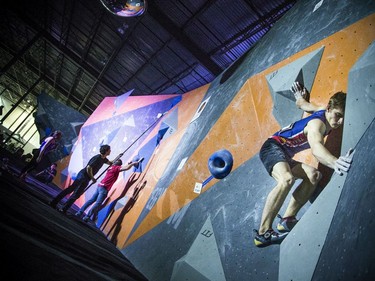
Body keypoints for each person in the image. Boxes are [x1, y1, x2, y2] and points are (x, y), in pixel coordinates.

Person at [253, 82, 354, 248]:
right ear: (329, 108)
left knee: (314, 176)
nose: (340, 121)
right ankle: (263, 233)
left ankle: (287, 219)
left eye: (344, 117)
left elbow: (304, 105)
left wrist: (300, 97)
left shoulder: (322, 111)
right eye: (337, 115)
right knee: (286, 179)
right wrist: (335, 161)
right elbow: (316, 148)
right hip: (272, 147)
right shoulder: (317, 124)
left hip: (285, 154)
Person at [75, 157, 144, 222]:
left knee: (91, 200)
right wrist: (133, 163)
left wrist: (129, 164)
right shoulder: (115, 168)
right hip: (104, 188)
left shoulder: (111, 168)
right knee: (98, 203)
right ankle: (87, 217)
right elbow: (125, 168)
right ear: (119, 165)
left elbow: (123, 168)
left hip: (100, 186)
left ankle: (79, 212)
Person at [49, 144, 113, 213]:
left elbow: (110, 163)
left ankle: (63, 208)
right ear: (106, 151)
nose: (110, 151)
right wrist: (92, 178)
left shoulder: (104, 159)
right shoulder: (97, 158)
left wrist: (118, 157)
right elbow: (89, 168)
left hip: (87, 178)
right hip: (83, 175)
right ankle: (55, 203)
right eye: (109, 150)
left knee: (76, 194)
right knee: (71, 190)